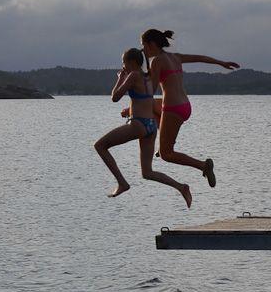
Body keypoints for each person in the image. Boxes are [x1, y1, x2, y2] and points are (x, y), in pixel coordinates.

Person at [141, 28, 239, 187]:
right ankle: (163, 142)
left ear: (151, 44)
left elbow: (150, 91)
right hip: (185, 106)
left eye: (143, 46)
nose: (142, 50)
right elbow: (200, 58)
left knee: (167, 155)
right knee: (152, 107)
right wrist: (221, 63)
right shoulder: (175, 57)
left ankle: (203, 165)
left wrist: (139, 77)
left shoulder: (157, 61)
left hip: (172, 109)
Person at [94, 48, 193, 207]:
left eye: (123, 62)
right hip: (151, 126)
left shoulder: (133, 76)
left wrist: (120, 79)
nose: (123, 65)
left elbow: (115, 97)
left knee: (99, 145)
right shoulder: (149, 77)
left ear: (131, 62)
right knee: (147, 173)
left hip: (138, 124)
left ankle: (122, 183)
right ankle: (181, 187)